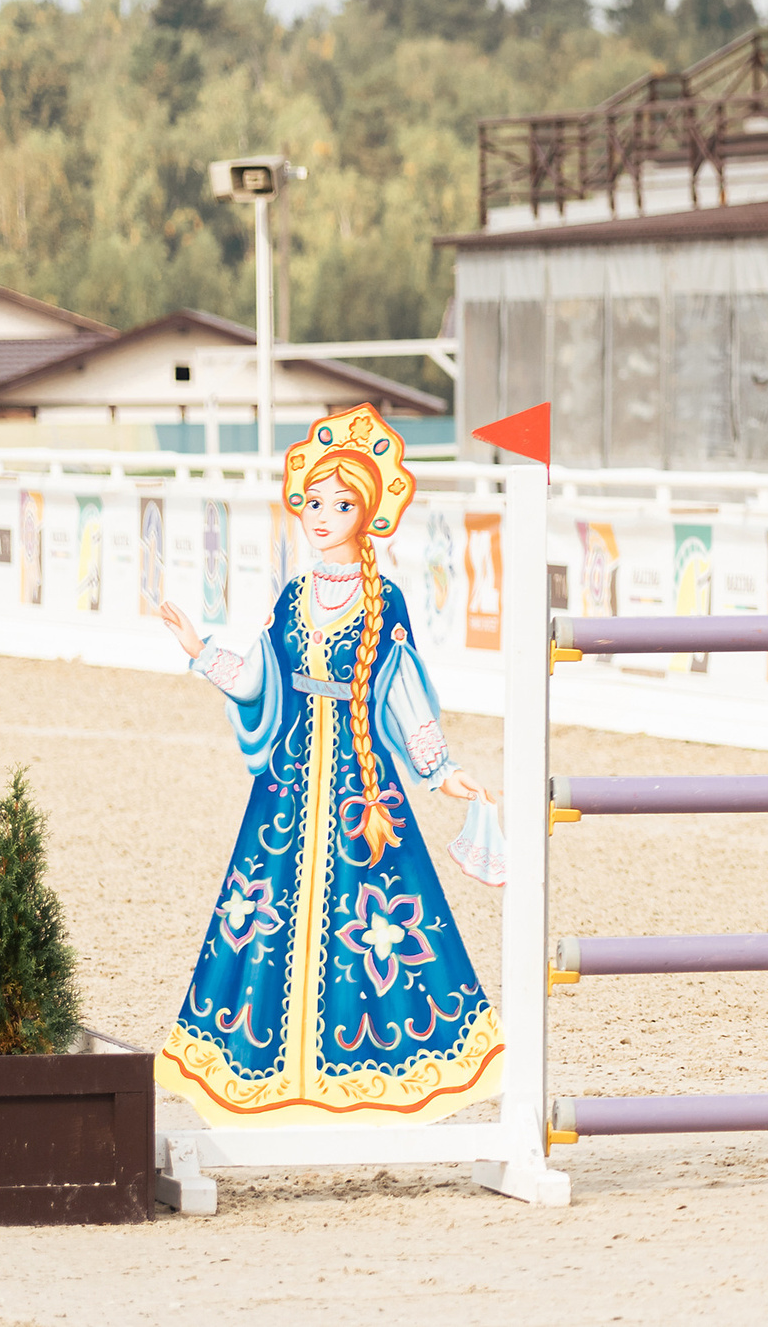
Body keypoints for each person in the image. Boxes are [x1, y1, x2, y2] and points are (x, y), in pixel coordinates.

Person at [154, 403, 507, 1124]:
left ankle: (374, 1067)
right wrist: (201, 651)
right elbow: (259, 678)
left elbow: (405, 694)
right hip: (286, 785)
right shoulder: (292, 596)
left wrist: (441, 771)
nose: (322, 514)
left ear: (366, 512)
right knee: (266, 909)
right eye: (314, 501)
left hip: (361, 781)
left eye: (340, 503)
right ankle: (272, 1068)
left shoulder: (387, 600)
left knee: (374, 913)